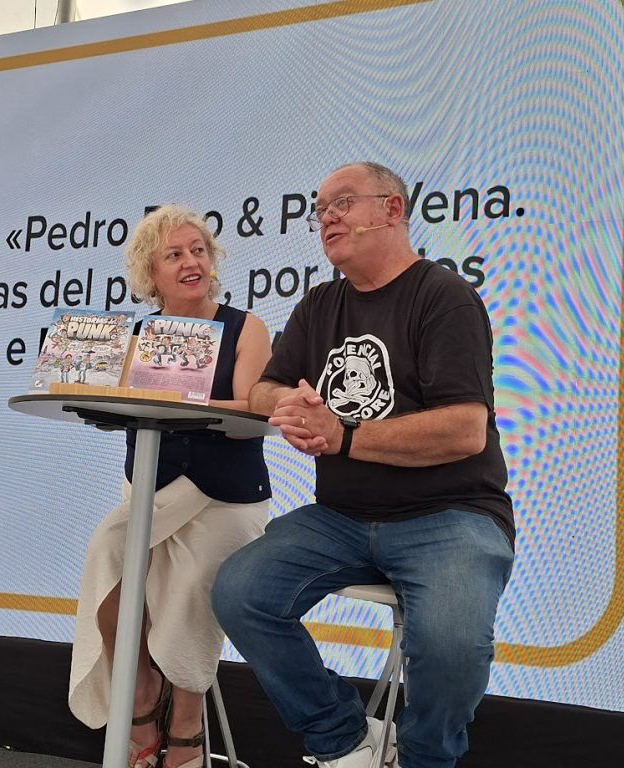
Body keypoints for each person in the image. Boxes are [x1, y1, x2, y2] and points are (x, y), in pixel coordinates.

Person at [212, 162, 515, 768]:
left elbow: (464, 430)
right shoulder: (321, 303)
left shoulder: (445, 297)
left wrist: (343, 435)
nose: (327, 218)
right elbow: (264, 389)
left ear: (392, 209)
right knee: (240, 592)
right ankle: (344, 741)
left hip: (451, 515)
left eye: (342, 203)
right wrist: (291, 405)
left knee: (452, 645)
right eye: (320, 210)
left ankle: (423, 758)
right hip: (342, 517)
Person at [69, 204, 273, 768]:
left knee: (189, 589)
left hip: (227, 497)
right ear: (151, 274)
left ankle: (186, 725)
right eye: (175, 254)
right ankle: (140, 699)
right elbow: (112, 402)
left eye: (198, 250)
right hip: (151, 494)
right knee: (107, 561)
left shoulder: (246, 327)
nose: (191, 262)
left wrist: (180, 396)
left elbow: (252, 406)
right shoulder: (136, 335)